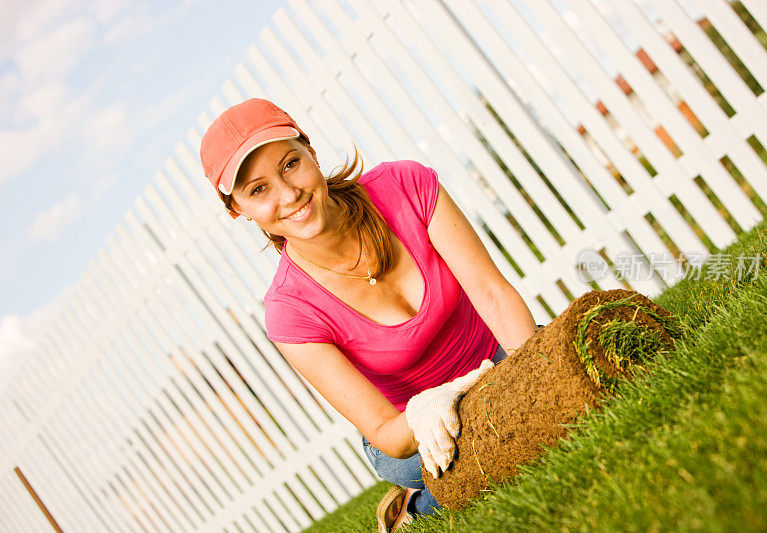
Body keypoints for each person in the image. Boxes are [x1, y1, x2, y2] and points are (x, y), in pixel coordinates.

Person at [200, 98, 540, 531]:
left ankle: (435, 495)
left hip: (496, 365)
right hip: (416, 431)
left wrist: (533, 369)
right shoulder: (290, 312)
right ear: (238, 211)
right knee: (492, 437)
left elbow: (493, 294)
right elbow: (385, 432)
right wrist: (425, 410)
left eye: (289, 164)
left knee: (537, 410)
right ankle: (413, 508)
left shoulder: (405, 186)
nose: (288, 195)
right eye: (258, 189)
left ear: (310, 151)